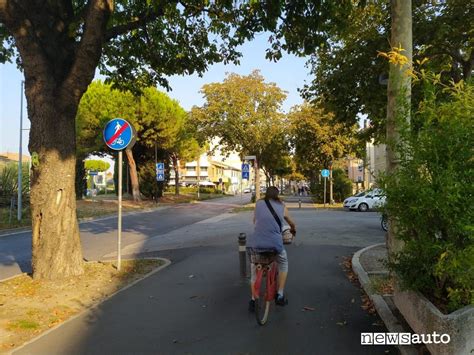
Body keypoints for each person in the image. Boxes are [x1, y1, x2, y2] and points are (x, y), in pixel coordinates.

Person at [247, 186, 296, 312]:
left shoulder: (258, 204)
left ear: (266, 195)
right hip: (275, 244)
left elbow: (254, 221)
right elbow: (291, 222)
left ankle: (253, 300)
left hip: (257, 244)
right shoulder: (282, 206)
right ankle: (280, 294)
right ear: (277, 195)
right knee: (283, 263)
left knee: (254, 270)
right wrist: (293, 229)